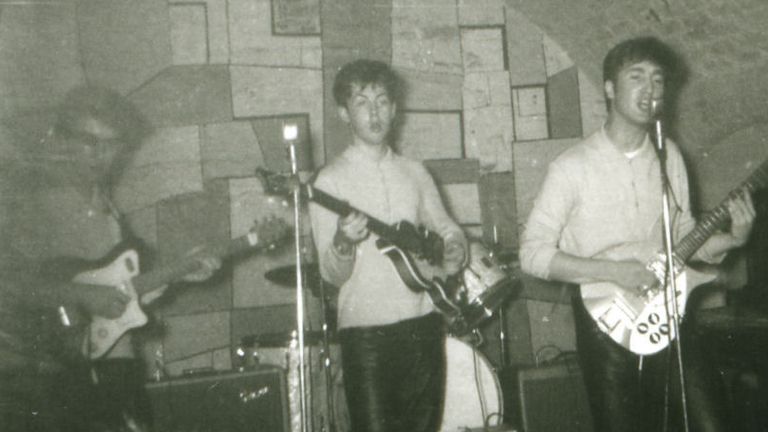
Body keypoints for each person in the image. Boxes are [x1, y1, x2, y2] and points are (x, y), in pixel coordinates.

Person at [519, 37, 756, 432]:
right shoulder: (571, 167)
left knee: (712, 422)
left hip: (667, 309)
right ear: (610, 89)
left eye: (658, 80)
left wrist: (734, 238)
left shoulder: (670, 157)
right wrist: (613, 272)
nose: (650, 90)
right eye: (637, 77)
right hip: (604, 317)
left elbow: (682, 235)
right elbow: (531, 254)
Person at [0, 85, 221, 431]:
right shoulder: (35, 203)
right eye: (89, 142)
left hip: (118, 367)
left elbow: (119, 287)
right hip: (56, 378)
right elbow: (11, 284)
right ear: (59, 139)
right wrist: (82, 295)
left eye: (112, 145)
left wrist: (179, 272)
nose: (100, 155)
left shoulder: (107, 207)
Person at [308, 59, 467, 432]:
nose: (374, 112)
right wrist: (343, 241)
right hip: (366, 338)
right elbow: (331, 275)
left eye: (382, 101)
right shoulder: (328, 184)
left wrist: (455, 246)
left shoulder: (415, 172)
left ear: (395, 109)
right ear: (344, 113)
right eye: (362, 102)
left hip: (424, 326)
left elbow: (446, 228)